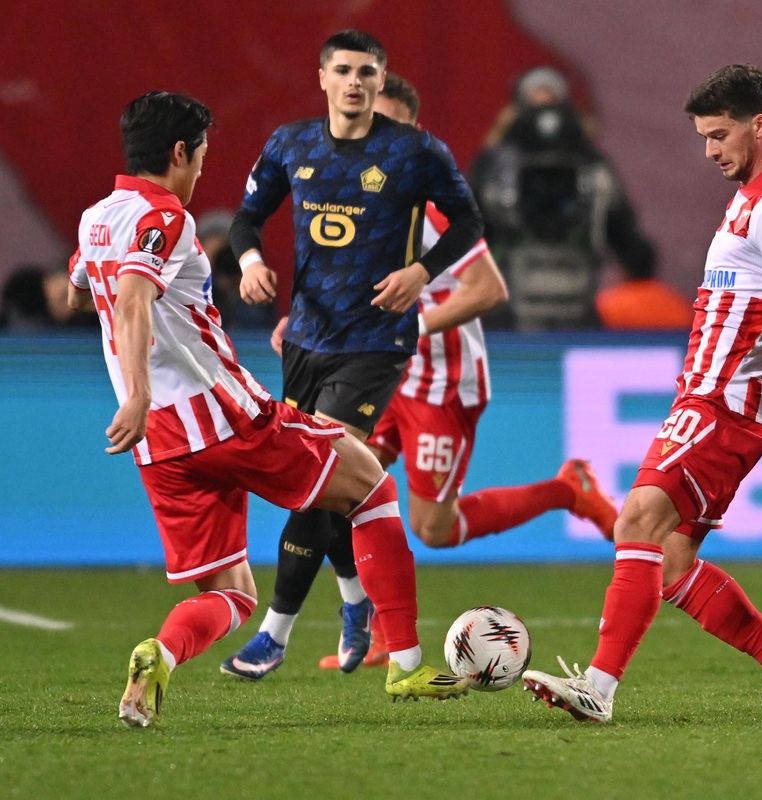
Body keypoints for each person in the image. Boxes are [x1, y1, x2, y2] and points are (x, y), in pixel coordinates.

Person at [66, 91, 469, 728]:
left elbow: (82, 293)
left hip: (163, 449)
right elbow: (138, 298)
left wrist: (143, 377)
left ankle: (159, 654)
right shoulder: (166, 215)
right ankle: (406, 662)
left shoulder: (96, 219)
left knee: (233, 594)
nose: (201, 171)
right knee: (368, 485)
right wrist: (142, 386)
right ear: (178, 152)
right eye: (200, 156)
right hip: (222, 417)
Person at [222, 73, 620, 676]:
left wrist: (405, 327)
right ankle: (362, 626)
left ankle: (569, 490)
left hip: (441, 381)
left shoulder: (430, 203)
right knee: (337, 486)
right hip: (377, 374)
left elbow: (488, 289)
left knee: (434, 527)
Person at [522, 64, 762, 723]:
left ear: (760, 126)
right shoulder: (751, 194)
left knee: (636, 520)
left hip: (724, 407)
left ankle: (598, 689)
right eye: (703, 137)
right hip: (710, 402)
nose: (711, 150)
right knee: (668, 561)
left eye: (720, 135)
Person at [218, 31, 484, 697]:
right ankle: (355, 598)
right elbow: (246, 221)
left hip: (376, 343)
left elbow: (471, 224)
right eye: (344, 70)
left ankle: (274, 633)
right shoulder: (291, 144)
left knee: (322, 467)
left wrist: (422, 271)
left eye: (368, 72)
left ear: (380, 79)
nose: (356, 82)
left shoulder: (415, 151)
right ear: (323, 78)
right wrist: (250, 264)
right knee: (330, 485)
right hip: (308, 337)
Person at [469, 66, 657, 331]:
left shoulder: (593, 168)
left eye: (551, 100)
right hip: (509, 310)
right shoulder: (494, 166)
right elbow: (465, 234)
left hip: (578, 305)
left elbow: (630, 244)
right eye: (535, 101)